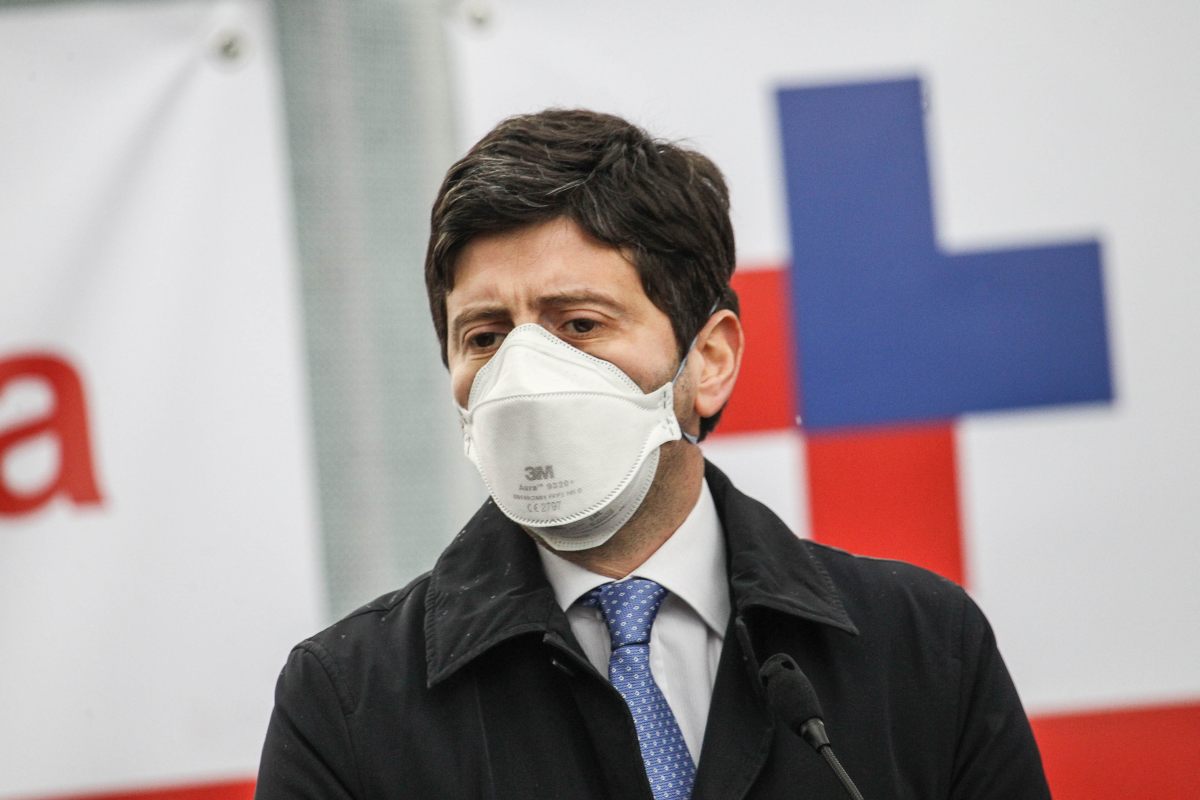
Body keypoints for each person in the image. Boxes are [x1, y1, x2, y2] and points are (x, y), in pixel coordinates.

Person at [255, 109, 1050, 799]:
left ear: (709, 359)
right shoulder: (348, 703)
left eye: (580, 324)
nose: (524, 378)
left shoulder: (921, 649)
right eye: (486, 337)